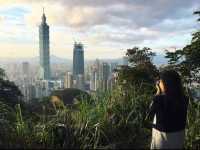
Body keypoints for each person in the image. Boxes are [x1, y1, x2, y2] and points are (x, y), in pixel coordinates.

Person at [148, 70, 189, 149]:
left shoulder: (159, 99)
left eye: (160, 81)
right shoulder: (185, 99)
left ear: (165, 83)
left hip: (162, 139)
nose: (159, 83)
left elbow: (149, 113)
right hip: (178, 138)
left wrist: (158, 92)